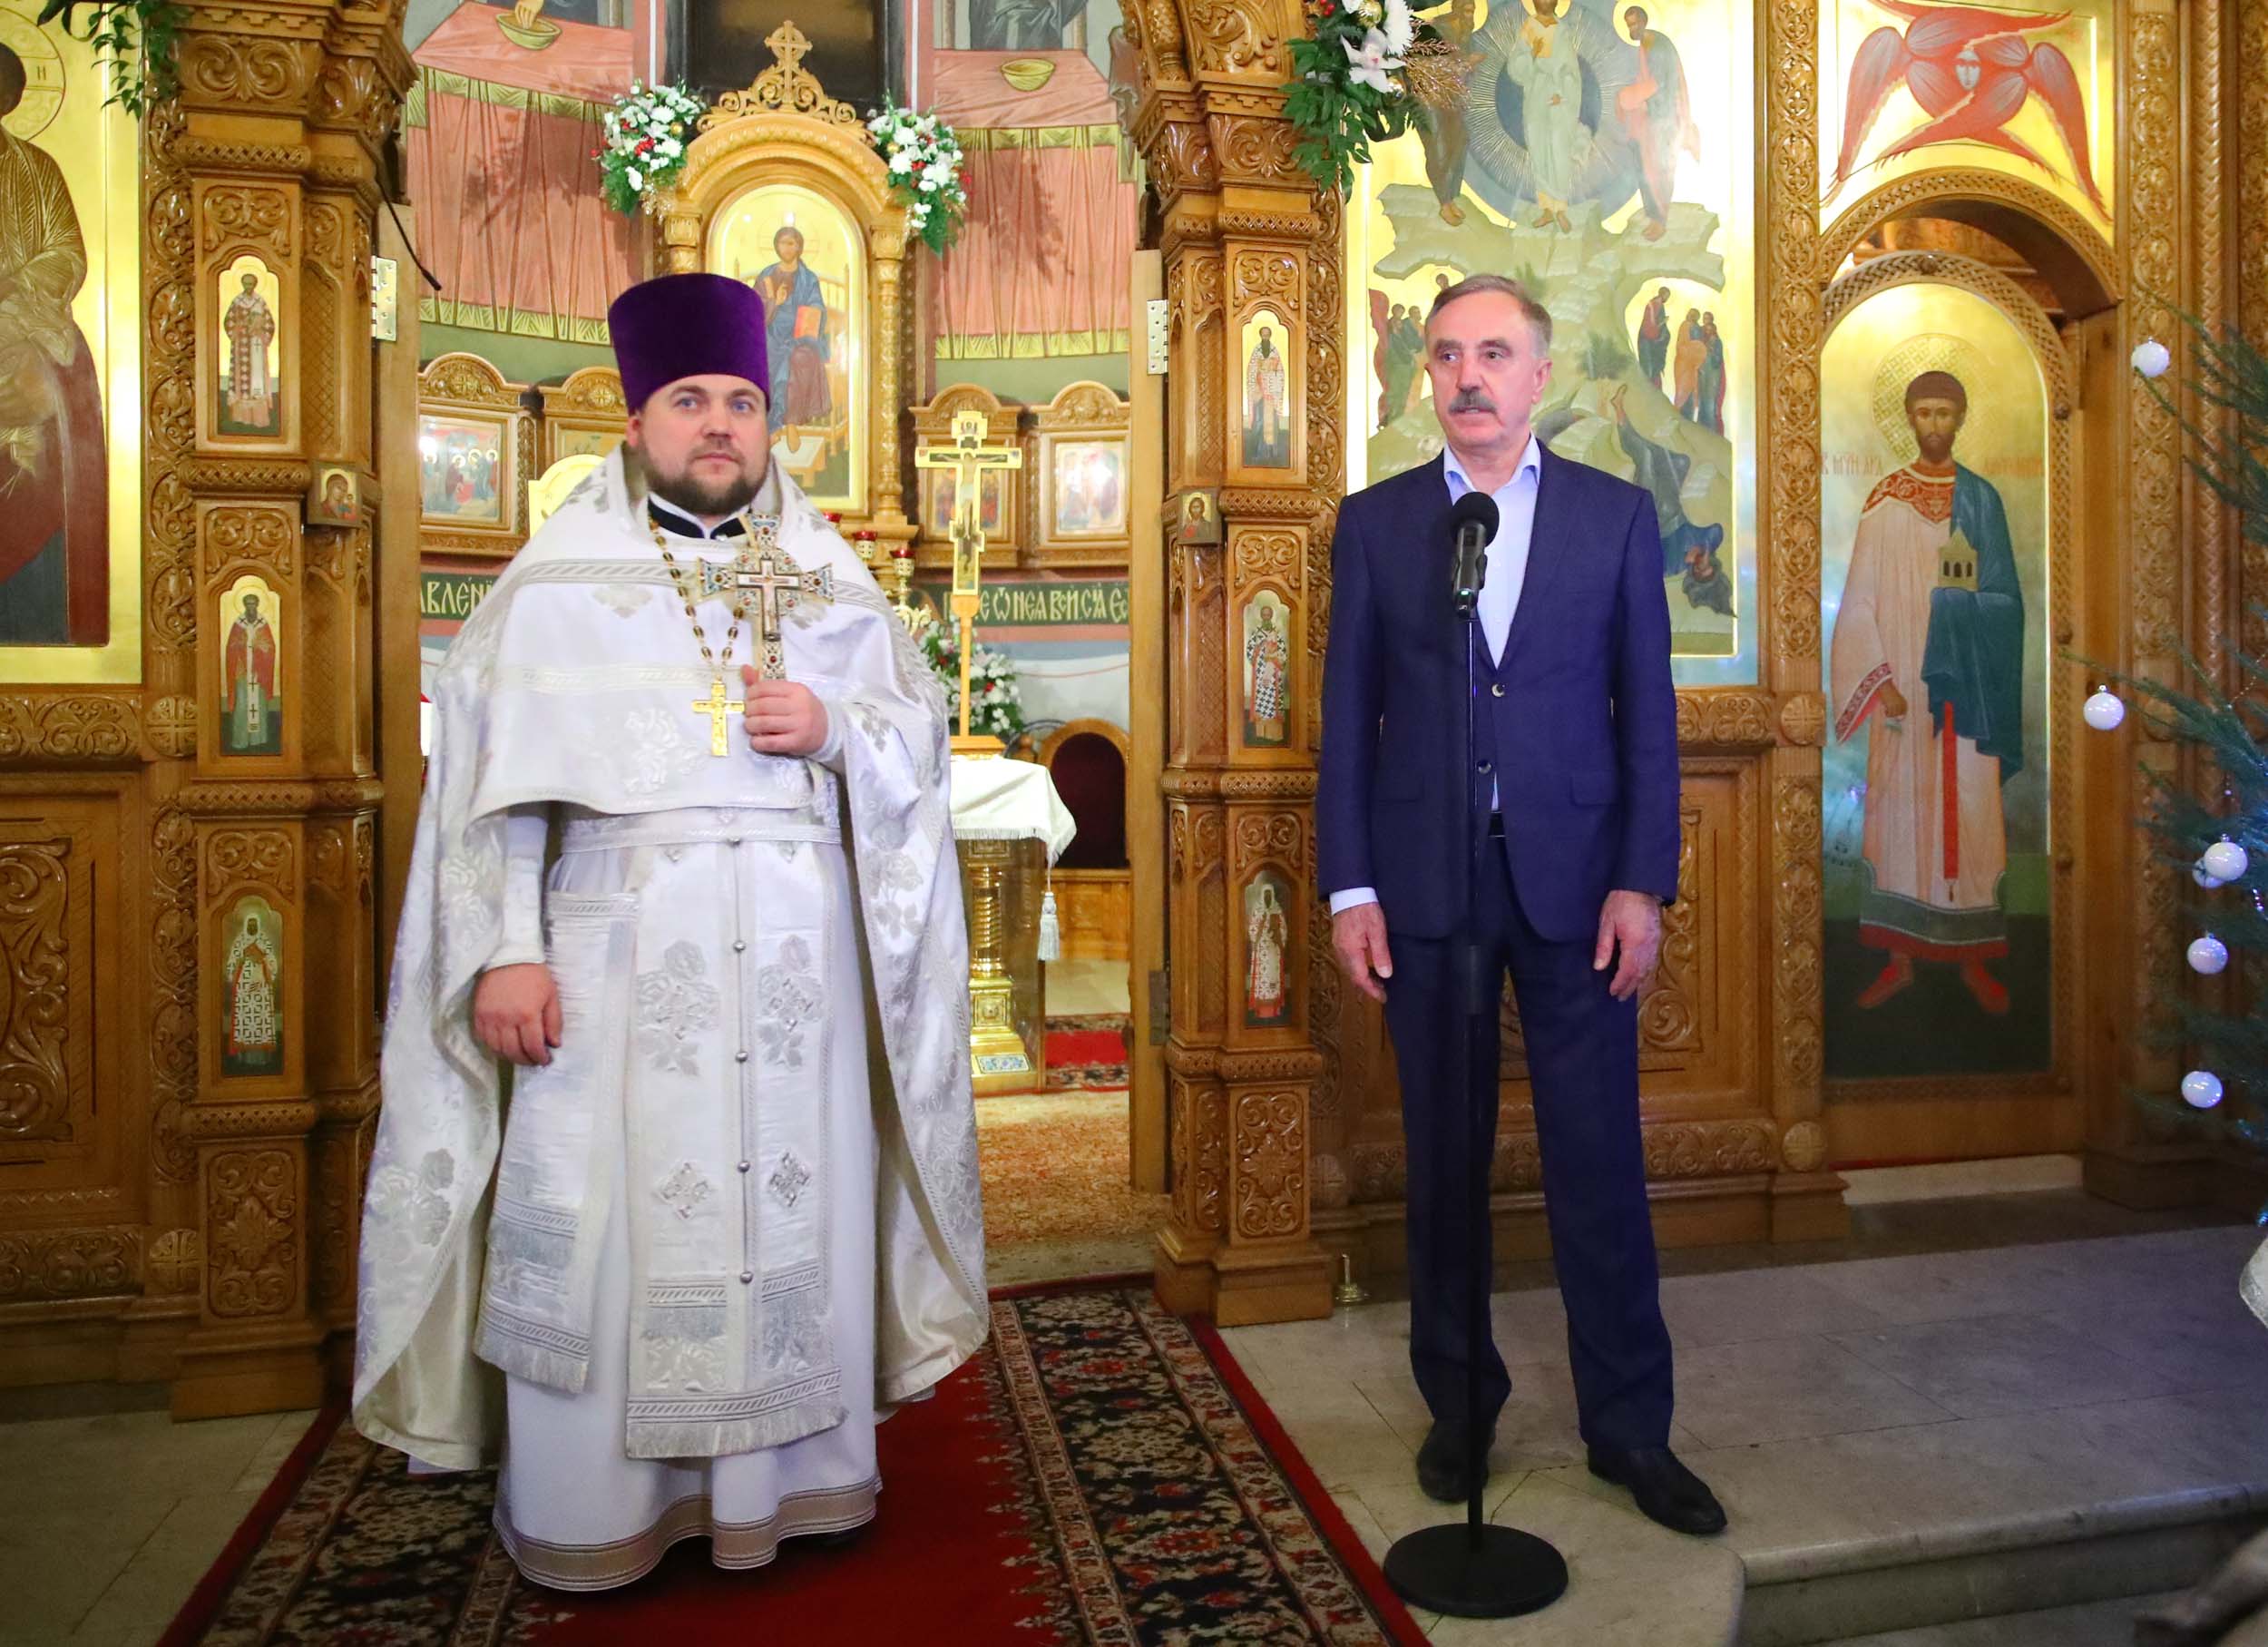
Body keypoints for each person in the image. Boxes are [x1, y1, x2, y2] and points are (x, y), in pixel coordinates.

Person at [355, 271, 987, 1589]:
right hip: (616, 967)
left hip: (799, 976)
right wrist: (506, 949)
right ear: (637, 419)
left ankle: (794, 1486)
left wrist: (835, 728)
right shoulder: (555, 581)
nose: (718, 426)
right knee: (609, 1234)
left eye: (742, 402)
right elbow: (485, 787)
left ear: (770, 423)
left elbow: (915, 741)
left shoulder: (825, 574)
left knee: (793, 1207)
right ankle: (597, 1506)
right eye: (690, 400)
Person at [1318, 273, 1722, 1537]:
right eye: (1447, 354)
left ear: (1540, 375)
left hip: (1577, 883)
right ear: (1425, 376)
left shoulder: (1613, 515)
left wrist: (1641, 880)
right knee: (1443, 1162)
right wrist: (1350, 886)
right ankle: (1460, 1407)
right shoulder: (1378, 523)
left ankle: (1630, 1427)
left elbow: (1646, 714)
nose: (1468, 377)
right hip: (1425, 884)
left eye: (1494, 354)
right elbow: (1347, 717)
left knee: (1597, 1160)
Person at [1828, 369, 2022, 1015]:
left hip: (1967, 683)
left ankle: (1973, 959)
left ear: (1960, 419)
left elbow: (2005, 598)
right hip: (1903, 690)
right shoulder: (1887, 499)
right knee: (1899, 816)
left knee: (1970, 810)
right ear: (1909, 419)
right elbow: (1860, 599)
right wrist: (1881, 681)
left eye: (1945, 413)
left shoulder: (1980, 500)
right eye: (1924, 413)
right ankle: (1900, 960)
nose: (1935, 425)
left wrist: (1968, 612)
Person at [0, 42, 107, 644]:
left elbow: (68, 252)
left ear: (12, 100)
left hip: (26, 325)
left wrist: (15, 285)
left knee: (57, 401)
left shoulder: (35, 169)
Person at [1617, 6, 1700, 240]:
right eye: (1628, 25)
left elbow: (1659, 82)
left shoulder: (1657, 45)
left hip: (1665, 116)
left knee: (1659, 169)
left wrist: (1630, 96)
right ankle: (1654, 216)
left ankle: (1660, 220)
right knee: (1645, 164)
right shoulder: (1646, 44)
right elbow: (1645, 79)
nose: (1632, 29)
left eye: (1635, 23)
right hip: (1653, 116)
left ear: (1644, 21)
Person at [1507, 0, 1583, 231]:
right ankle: (1547, 209)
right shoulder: (1528, 28)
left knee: (1559, 150)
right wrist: (1532, 54)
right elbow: (1516, 67)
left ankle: (1561, 208)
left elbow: (1571, 69)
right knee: (1539, 149)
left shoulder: (1562, 30)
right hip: (1536, 96)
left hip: (1559, 98)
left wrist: (1563, 93)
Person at [754, 226, 830, 427]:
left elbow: (817, 306)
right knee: (765, 357)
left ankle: (792, 423)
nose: (786, 248)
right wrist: (775, 303)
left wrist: (808, 316)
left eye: (791, 243)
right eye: (782, 243)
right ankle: (770, 423)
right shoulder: (767, 275)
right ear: (776, 246)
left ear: (799, 247)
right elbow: (754, 309)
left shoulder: (809, 278)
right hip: (771, 332)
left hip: (800, 336)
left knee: (801, 358)